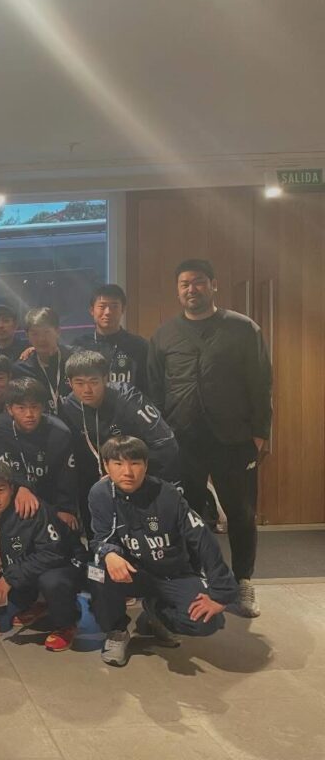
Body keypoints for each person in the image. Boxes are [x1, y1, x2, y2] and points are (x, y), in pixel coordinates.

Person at [148, 258, 272, 617]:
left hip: (233, 439)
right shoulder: (164, 335)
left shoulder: (243, 328)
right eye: (185, 283)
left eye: (199, 282)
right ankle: (193, 579)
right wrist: (158, 438)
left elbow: (261, 383)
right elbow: (154, 390)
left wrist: (260, 433)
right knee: (184, 513)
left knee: (241, 512)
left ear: (213, 285)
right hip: (181, 441)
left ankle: (243, 580)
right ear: (177, 290)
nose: (192, 289)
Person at [88, 436, 238, 668]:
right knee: (96, 571)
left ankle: (156, 614)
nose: (127, 471)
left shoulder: (167, 494)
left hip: (172, 573)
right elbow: (100, 537)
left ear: (146, 465)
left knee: (208, 621)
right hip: (133, 572)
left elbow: (202, 538)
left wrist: (221, 592)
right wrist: (109, 554)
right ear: (106, 466)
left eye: (135, 463)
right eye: (118, 464)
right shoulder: (100, 493)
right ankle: (116, 631)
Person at [0, 460, 84, 652]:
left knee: (52, 581)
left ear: (12, 488)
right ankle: (39, 603)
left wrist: (10, 578)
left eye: (1, 490)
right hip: (27, 567)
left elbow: (53, 553)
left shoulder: (30, 507)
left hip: (66, 562)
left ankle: (66, 624)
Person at [60, 350, 179, 534]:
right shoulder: (69, 406)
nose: (87, 390)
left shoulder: (128, 398)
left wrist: (142, 477)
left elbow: (165, 444)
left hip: (137, 476)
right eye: (79, 383)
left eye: (94, 382)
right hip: (99, 481)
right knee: (98, 534)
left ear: (105, 379)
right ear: (70, 383)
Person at [0, 378, 79, 531]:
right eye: (21, 408)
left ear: (43, 407)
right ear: (9, 409)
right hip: (13, 496)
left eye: (34, 407)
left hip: (49, 501)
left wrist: (66, 509)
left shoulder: (59, 433)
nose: (29, 414)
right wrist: (20, 486)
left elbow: (67, 475)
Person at [72, 285, 149, 391]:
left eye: (114, 306)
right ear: (92, 310)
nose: (108, 312)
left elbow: (148, 388)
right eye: (102, 306)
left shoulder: (139, 346)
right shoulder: (79, 346)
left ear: (123, 309)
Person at [13, 307, 74, 414]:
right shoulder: (22, 368)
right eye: (35, 334)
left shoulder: (74, 358)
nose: (41, 339)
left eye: (47, 332)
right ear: (27, 336)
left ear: (58, 332)